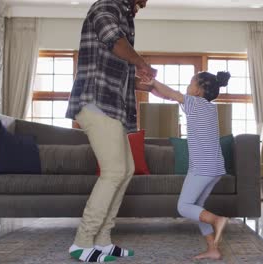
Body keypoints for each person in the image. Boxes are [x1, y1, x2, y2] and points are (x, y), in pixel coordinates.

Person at [65, 0, 156, 262]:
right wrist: (141, 62)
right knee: (115, 170)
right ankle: (82, 241)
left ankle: (102, 240)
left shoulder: (126, 16)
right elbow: (112, 39)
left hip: (111, 106)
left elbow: (117, 67)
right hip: (96, 102)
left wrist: (144, 84)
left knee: (125, 170)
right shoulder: (106, 5)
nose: (145, 4)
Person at [142, 71, 231, 260]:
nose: (188, 86)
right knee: (198, 206)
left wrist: (154, 81)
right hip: (215, 167)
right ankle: (213, 248)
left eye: (191, 83)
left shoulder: (194, 103)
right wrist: (154, 87)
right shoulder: (207, 107)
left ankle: (217, 220)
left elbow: (172, 93)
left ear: (198, 91)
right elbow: (169, 95)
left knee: (184, 206)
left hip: (202, 167)